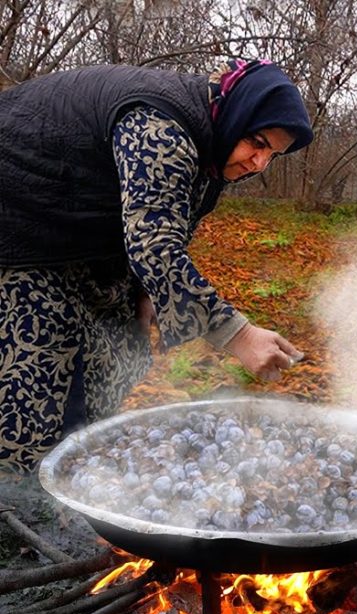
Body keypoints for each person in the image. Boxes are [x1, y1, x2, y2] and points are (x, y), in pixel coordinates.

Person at [0, 59, 313, 472]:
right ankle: (21, 504)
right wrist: (238, 335)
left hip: (76, 230)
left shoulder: (211, 144)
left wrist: (145, 290)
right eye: (257, 142)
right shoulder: (160, 126)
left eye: (272, 154)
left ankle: (71, 472)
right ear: (237, 114)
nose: (259, 163)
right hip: (18, 224)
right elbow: (153, 242)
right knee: (39, 372)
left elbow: (162, 219)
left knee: (118, 347)